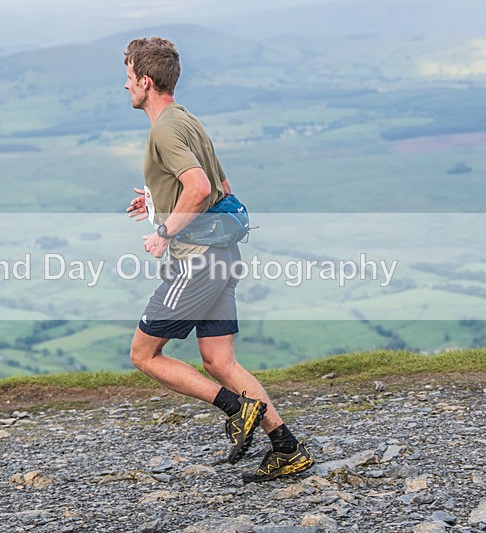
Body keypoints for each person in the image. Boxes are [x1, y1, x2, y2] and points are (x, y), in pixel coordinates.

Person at [123, 37, 313, 483]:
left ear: (146, 81)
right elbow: (222, 187)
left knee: (144, 354)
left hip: (198, 262)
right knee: (219, 361)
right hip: (224, 255)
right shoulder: (186, 119)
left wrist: (163, 232)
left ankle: (235, 408)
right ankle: (287, 448)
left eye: (129, 77)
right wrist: (157, 201)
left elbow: (200, 188)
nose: (125, 85)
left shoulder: (164, 130)